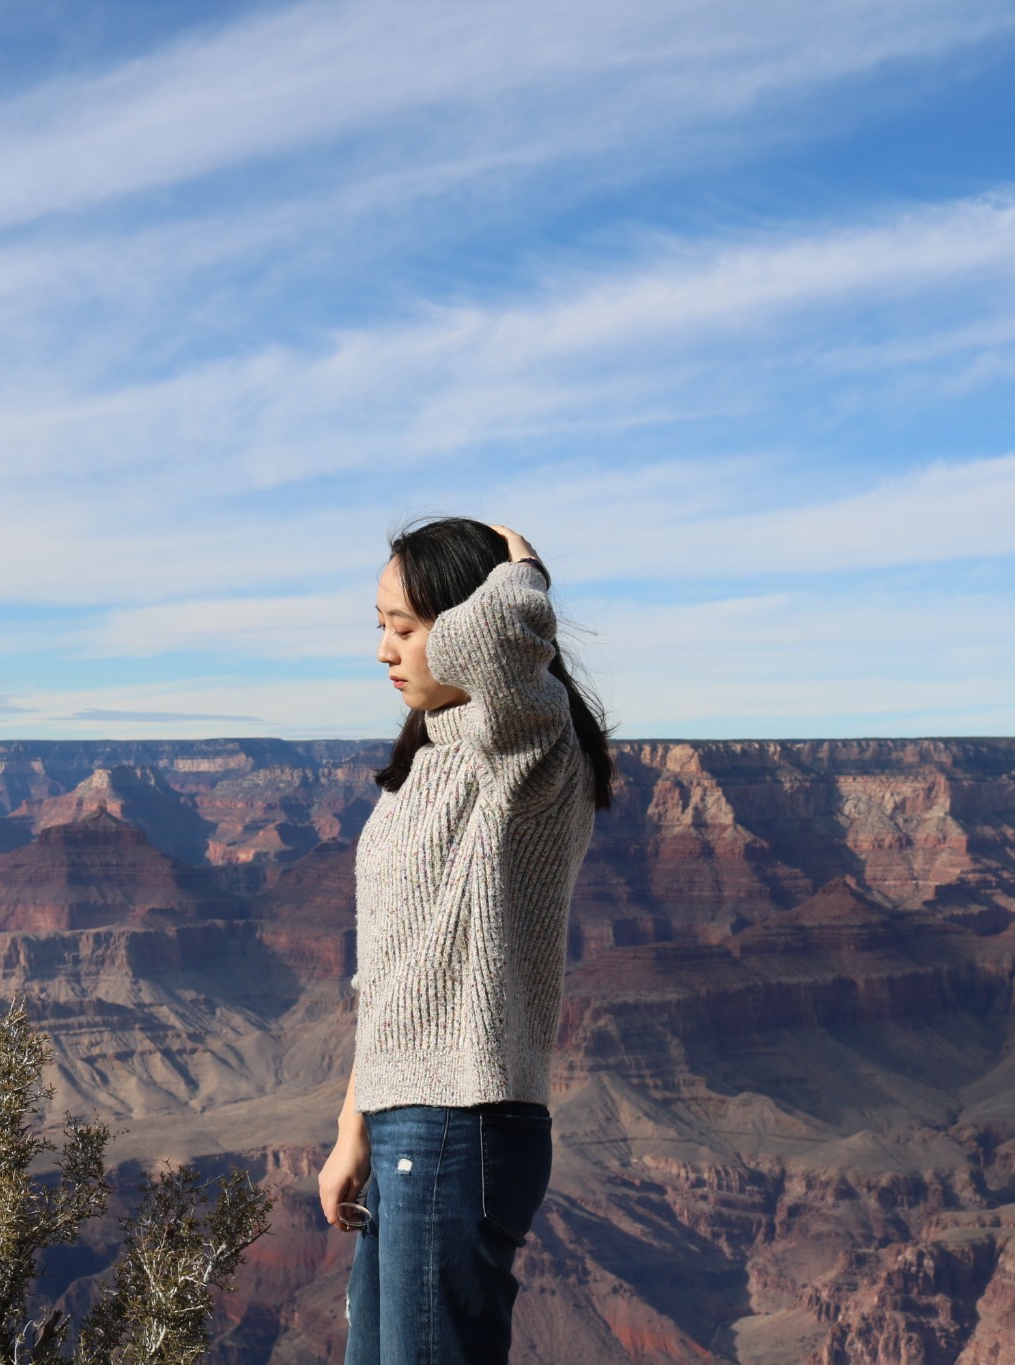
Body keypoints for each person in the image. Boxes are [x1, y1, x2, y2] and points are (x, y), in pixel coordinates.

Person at [318, 516, 614, 1364]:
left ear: (464, 625)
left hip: (460, 1126)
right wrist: (354, 1129)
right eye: (379, 625)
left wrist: (522, 569)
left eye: (404, 628)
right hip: (410, 1125)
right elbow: (392, 978)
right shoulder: (430, 764)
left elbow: (503, 649)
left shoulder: (524, 756)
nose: (384, 649)